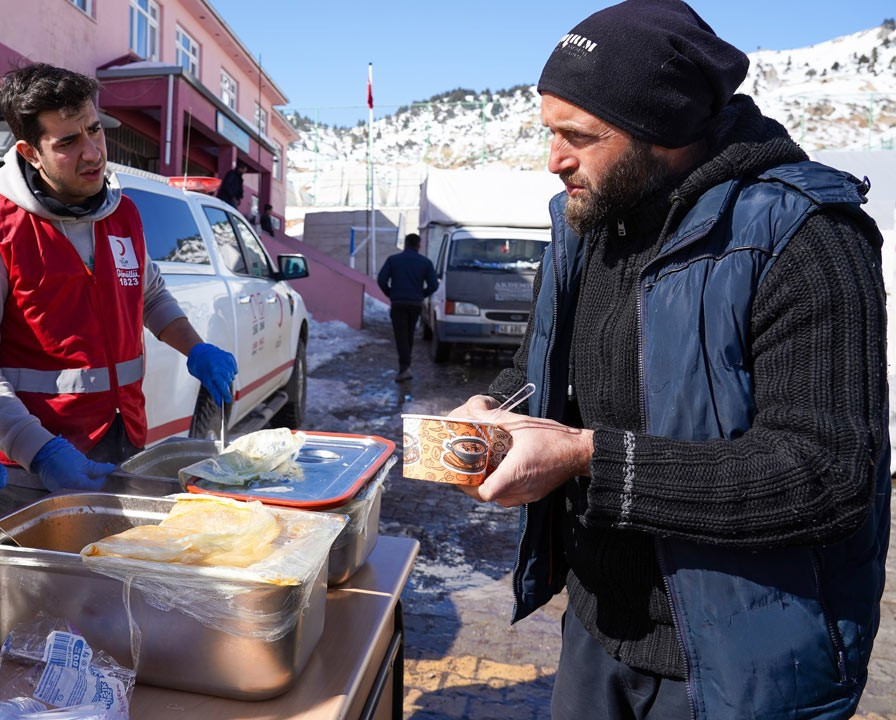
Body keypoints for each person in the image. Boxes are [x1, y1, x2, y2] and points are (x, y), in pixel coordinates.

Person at [451, 2, 890, 718]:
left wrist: (588, 457)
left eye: (578, 136)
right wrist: (493, 413)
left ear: (665, 131)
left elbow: (826, 474)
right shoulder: (589, 226)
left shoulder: (806, 238)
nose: (554, 159)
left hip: (741, 664)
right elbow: (542, 374)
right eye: (550, 132)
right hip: (598, 630)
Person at [0, 63, 237, 517]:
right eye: (67, 142)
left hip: (123, 439)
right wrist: (39, 451)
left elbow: (151, 296)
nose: (93, 152)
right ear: (30, 152)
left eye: (94, 130)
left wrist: (196, 348)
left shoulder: (122, 214)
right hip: (32, 469)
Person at [377, 233, 438, 381]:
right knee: (409, 334)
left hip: (398, 303)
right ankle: (406, 367)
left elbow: (381, 280)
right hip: (415, 304)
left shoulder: (393, 260)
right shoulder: (425, 262)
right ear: (418, 245)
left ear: (405, 244)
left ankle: (404, 368)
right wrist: (421, 294)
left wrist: (391, 293)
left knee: (401, 335)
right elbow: (434, 285)